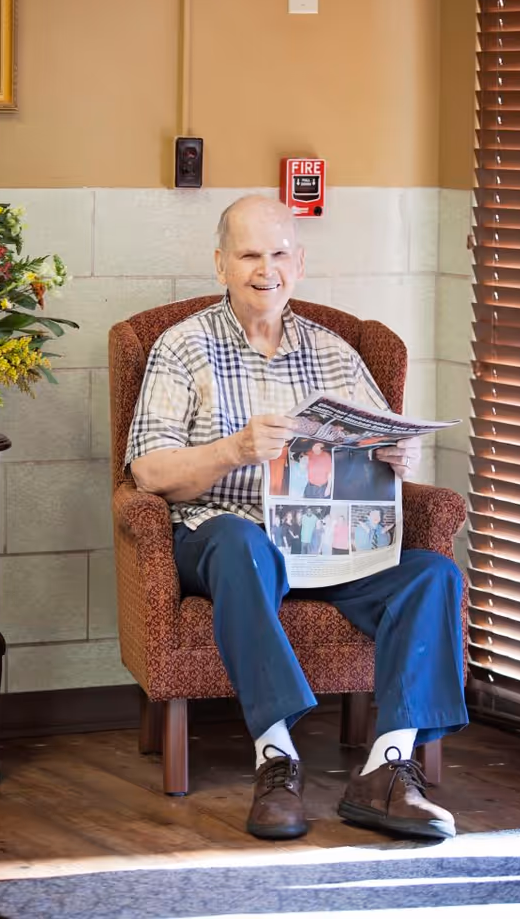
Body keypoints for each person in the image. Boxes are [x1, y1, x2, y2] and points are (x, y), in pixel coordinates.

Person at [126, 194, 464, 842]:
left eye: (279, 253)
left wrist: (398, 454)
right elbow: (146, 473)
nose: (266, 269)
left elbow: (380, 445)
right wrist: (233, 450)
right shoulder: (182, 347)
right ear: (220, 263)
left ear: (299, 261)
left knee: (433, 575)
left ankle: (388, 770)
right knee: (238, 541)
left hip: (326, 545)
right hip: (220, 539)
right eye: (250, 254)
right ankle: (276, 760)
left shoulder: (336, 353)